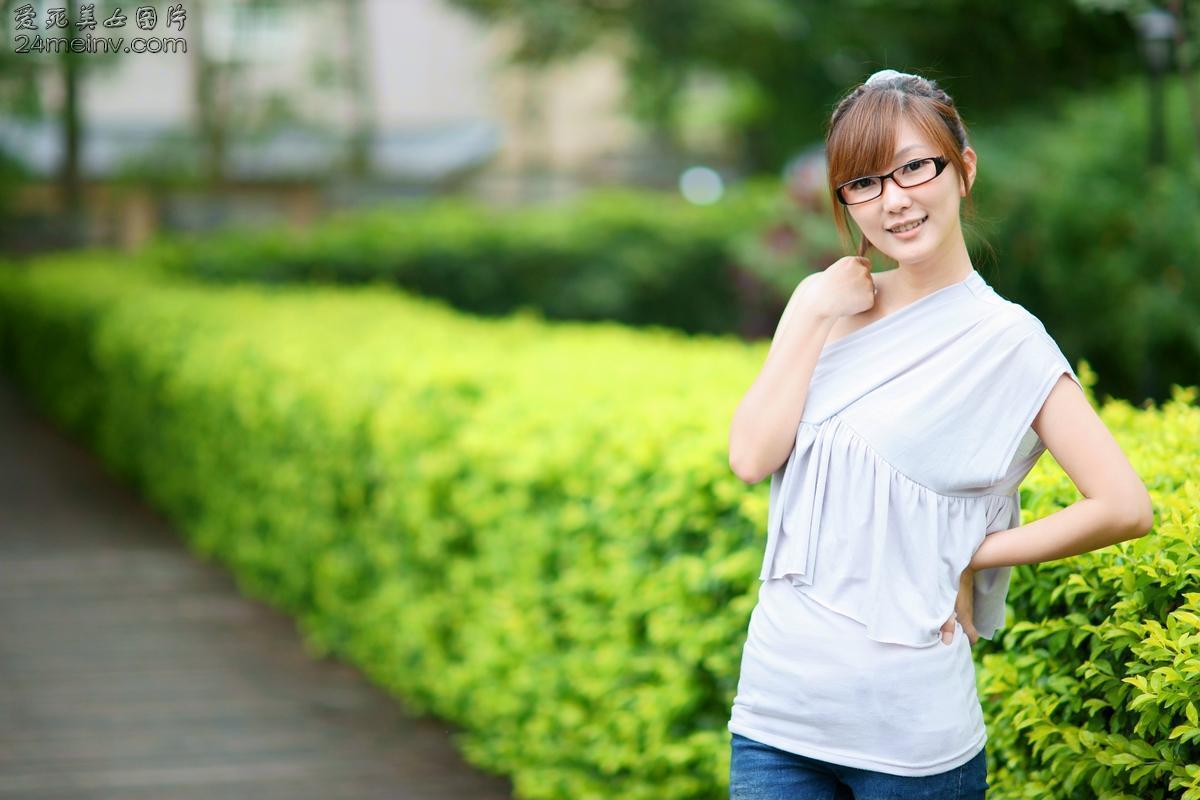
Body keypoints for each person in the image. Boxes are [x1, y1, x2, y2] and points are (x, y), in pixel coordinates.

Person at [725, 69, 1154, 799]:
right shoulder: (829, 305)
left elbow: (1123, 505)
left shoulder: (1009, 342)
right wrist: (806, 311)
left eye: (913, 168)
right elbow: (750, 457)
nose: (893, 200)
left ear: (964, 168)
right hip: (775, 720)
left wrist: (970, 552)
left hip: (912, 746)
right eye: (862, 183)